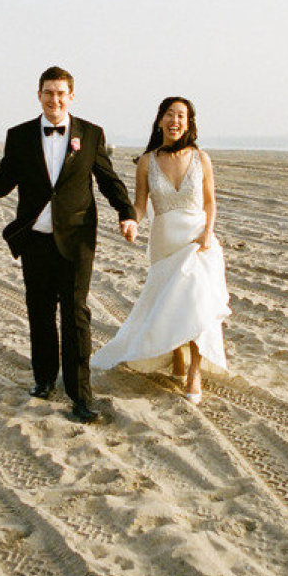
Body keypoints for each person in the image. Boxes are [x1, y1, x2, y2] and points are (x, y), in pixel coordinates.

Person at [0, 67, 138, 423]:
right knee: (39, 313)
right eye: (48, 93)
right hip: (35, 238)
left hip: (77, 239)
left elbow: (109, 181)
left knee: (75, 315)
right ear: (39, 95)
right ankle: (44, 380)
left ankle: (81, 397)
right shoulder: (19, 136)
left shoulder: (91, 134)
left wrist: (126, 213)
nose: (55, 99)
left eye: (61, 93)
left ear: (71, 97)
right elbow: (2, 182)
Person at [91, 96, 230, 404]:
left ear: (189, 123)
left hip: (197, 241)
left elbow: (210, 202)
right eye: (169, 114)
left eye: (181, 116)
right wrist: (131, 222)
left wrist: (208, 233)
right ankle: (177, 358)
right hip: (165, 243)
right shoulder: (146, 162)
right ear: (159, 121)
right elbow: (140, 205)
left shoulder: (201, 157)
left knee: (196, 301)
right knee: (171, 305)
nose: (175, 121)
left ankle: (195, 369)